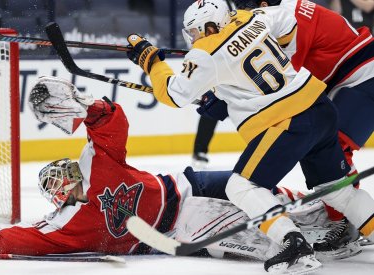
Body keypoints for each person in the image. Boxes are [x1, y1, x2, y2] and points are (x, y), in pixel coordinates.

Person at [125, 0, 374, 273]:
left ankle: (294, 245)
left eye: (195, 32)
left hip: (290, 122)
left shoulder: (205, 53)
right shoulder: (253, 18)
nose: (193, 38)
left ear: (209, 26)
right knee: (338, 191)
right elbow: (287, 31)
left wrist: (151, 61)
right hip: (319, 106)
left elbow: (173, 94)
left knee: (241, 186)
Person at [0, 76, 287, 261]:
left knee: (257, 186)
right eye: (58, 180)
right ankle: (303, 231)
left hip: (185, 185)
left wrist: (87, 105)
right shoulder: (69, 224)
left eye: (63, 170)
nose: (67, 175)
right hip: (178, 229)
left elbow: (111, 126)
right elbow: (30, 238)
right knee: (262, 239)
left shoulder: (95, 167)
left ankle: (318, 207)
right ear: (60, 195)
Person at [231, 0, 374, 260]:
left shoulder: (286, 20)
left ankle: (347, 223)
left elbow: (282, 85)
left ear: (263, 5)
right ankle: (348, 218)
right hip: (352, 78)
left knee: (332, 145)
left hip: (363, 76)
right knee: (325, 143)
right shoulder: (286, 11)